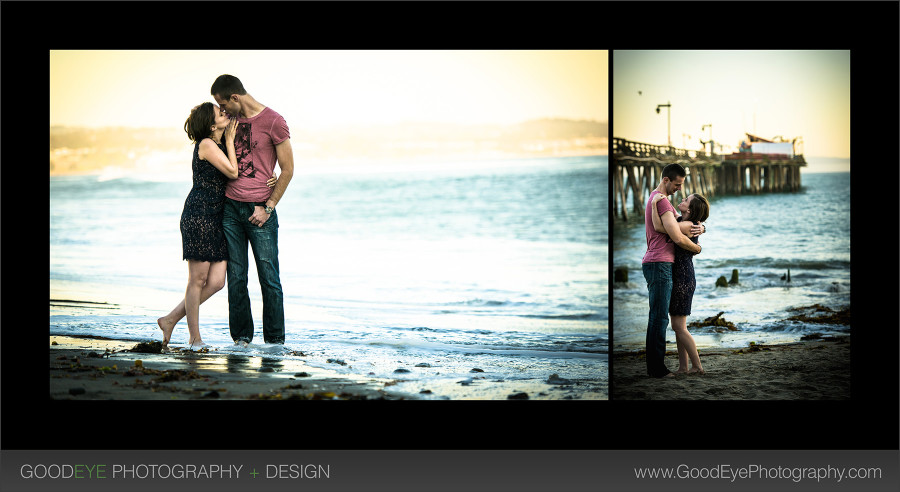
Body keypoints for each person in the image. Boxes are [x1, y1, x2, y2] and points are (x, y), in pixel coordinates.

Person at [157, 103, 276, 350]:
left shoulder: (219, 145)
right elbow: (233, 172)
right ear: (212, 126)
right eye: (219, 113)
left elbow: (243, 169)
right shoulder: (207, 144)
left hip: (218, 216)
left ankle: (170, 319)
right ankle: (194, 338)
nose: (225, 113)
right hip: (199, 215)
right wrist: (231, 139)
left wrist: (270, 177)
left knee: (217, 282)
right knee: (197, 280)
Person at [211, 74, 294, 347]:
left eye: (223, 104)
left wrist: (268, 207)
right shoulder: (228, 122)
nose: (221, 110)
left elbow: (288, 169)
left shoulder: (274, 121)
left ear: (235, 97)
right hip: (230, 208)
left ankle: (274, 344)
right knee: (236, 277)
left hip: (261, 210)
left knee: (269, 278)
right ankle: (242, 341)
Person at [641, 163, 703, 377]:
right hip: (659, 263)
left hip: (658, 263)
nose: (680, 189)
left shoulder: (657, 199)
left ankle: (667, 367)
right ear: (666, 180)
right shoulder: (663, 203)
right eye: (677, 184)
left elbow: (682, 225)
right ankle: (657, 368)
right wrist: (697, 247)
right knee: (659, 319)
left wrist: (702, 226)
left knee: (659, 318)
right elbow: (676, 235)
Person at [650, 191, 710, 374]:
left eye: (686, 200)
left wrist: (654, 206)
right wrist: (704, 228)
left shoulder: (686, 225)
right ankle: (684, 367)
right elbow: (667, 224)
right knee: (679, 327)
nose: (682, 200)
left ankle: (697, 366)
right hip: (682, 276)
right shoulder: (685, 222)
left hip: (683, 277)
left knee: (678, 327)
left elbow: (659, 227)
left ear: (690, 210)